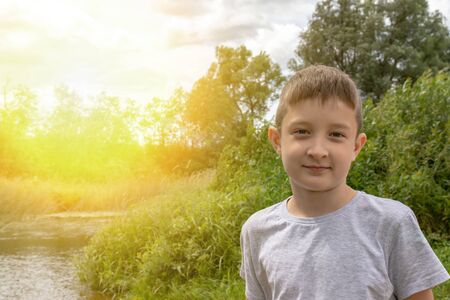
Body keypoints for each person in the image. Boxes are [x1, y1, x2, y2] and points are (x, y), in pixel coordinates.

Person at [239, 65, 449, 300]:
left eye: (336, 134)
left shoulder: (392, 223)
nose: (318, 150)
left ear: (356, 146)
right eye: (301, 131)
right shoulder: (256, 231)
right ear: (277, 141)